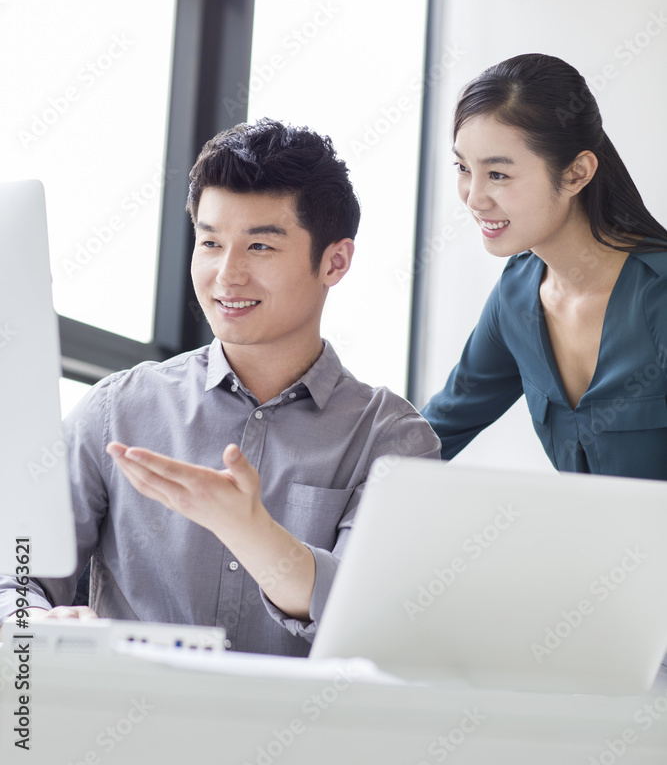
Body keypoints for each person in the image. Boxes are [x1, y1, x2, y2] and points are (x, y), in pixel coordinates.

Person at [0, 119, 440, 655]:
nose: (226, 274)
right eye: (210, 242)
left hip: (303, 733)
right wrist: (41, 621)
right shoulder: (118, 409)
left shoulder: (392, 439)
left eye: (259, 246)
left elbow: (374, 621)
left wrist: (250, 530)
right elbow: (16, 576)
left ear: (335, 260)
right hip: (121, 729)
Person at [422, 53, 667, 479]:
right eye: (463, 168)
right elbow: (431, 435)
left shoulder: (658, 295)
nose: (474, 197)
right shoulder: (516, 297)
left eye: (498, 174)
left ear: (576, 174)